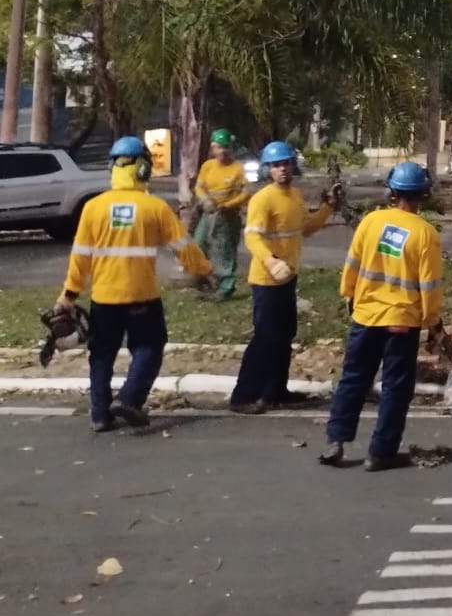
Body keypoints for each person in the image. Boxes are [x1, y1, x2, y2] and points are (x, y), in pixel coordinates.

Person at [52, 136, 213, 432]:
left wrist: (69, 295)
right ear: (142, 169)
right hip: (142, 297)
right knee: (149, 347)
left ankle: (100, 415)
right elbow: (184, 247)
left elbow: (80, 258)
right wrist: (203, 270)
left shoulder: (93, 208)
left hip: (104, 298)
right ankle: (129, 398)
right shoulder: (155, 208)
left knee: (101, 355)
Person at [321, 161, 443, 472]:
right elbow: (429, 286)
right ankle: (380, 453)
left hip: (365, 315)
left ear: (392, 191)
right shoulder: (425, 234)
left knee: (353, 379)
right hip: (401, 321)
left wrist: (348, 293)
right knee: (395, 387)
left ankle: (336, 441)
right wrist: (431, 322)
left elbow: (352, 264)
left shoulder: (370, 222)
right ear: (423, 194)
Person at [230, 141, 334, 413]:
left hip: (288, 278)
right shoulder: (262, 199)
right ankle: (243, 396)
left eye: (286, 163)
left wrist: (327, 208)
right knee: (264, 338)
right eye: (276, 165)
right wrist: (270, 261)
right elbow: (252, 236)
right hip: (266, 280)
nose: (282, 169)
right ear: (268, 169)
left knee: (284, 335)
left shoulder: (295, 197)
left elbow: (304, 229)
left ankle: (276, 391)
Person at [194, 128, 248, 299]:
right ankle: (206, 282)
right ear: (213, 148)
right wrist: (204, 200)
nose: (223, 151)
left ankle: (226, 288)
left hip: (228, 217)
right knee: (198, 245)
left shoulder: (238, 169)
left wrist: (228, 205)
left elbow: (246, 192)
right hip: (209, 214)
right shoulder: (208, 166)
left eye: (226, 147)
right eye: (219, 147)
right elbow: (199, 186)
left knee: (225, 252)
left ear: (231, 148)